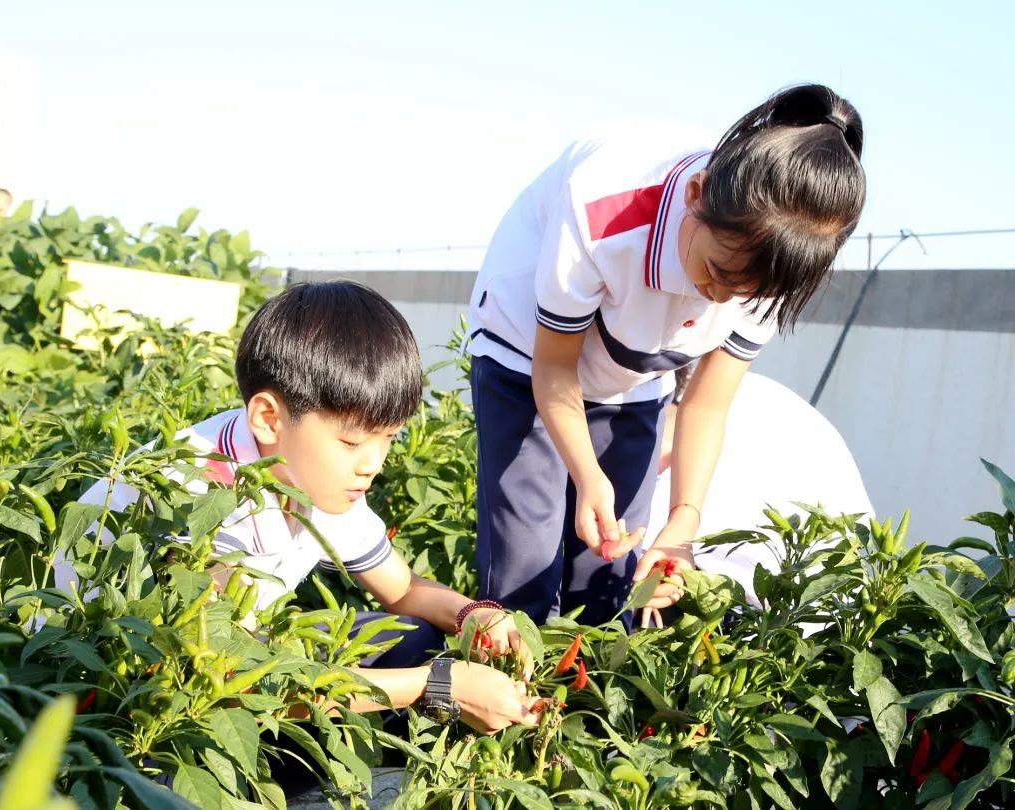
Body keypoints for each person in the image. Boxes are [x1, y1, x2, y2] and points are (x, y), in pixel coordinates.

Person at [466, 84, 867, 629]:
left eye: (744, 292)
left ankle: (583, 704)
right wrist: (587, 473)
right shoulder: (605, 209)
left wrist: (683, 522)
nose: (718, 299)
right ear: (697, 195)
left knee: (612, 576)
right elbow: (555, 366)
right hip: (528, 352)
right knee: (525, 567)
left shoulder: (776, 268)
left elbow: (706, 406)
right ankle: (503, 697)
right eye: (717, 273)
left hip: (638, 373)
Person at [57, 281, 538, 733]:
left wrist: (473, 614)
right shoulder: (199, 497)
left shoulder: (317, 473)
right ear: (269, 419)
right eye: (351, 441)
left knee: (414, 637)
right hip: (111, 692)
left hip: (234, 650)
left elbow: (405, 590)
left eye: (388, 438)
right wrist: (436, 685)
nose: (373, 464)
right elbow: (232, 684)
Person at [647, 367, 874, 622]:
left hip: (761, 622)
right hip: (846, 612)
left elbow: (652, 566)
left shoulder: (666, 460)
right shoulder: (744, 387)